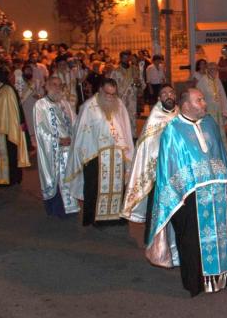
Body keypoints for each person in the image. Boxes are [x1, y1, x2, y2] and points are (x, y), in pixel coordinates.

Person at [147, 88, 227, 296]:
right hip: (190, 195)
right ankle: (196, 283)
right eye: (199, 100)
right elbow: (168, 166)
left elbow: (220, 155)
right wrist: (181, 193)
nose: (204, 103)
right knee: (192, 240)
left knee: (223, 234)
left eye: (203, 99)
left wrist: (225, 183)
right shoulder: (172, 130)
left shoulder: (210, 124)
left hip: (217, 190)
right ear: (186, 105)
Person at [121, 84, 179, 267]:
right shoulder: (155, 116)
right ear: (159, 99)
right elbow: (147, 146)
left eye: (171, 93)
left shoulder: (180, 114)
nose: (168, 96)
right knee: (156, 207)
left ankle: (177, 243)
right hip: (158, 172)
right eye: (164, 94)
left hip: (178, 171)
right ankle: (153, 241)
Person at [67, 79, 134, 226]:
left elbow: (125, 129)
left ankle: (116, 217)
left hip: (116, 155)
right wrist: (85, 154)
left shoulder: (119, 104)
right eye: (107, 93)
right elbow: (82, 133)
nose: (110, 97)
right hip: (95, 156)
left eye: (113, 94)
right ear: (100, 90)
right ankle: (95, 219)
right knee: (94, 187)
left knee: (118, 187)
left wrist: (127, 150)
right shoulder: (88, 107)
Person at [33, 76, 78, 217]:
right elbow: (40, 130)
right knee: (56, 179)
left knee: (69, 178)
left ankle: (71, 207)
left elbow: (75, 123)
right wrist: (57, 140)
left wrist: (75, 137)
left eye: (60, 85)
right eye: (54, 84)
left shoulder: (65, 104)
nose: (57, 88)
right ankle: (58, 209)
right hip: (53, 149)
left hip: (69, 149)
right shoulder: (40, 105)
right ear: (47, 86)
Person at [0, 67, 30, 186]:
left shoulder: (6, 90)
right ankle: (11, 179)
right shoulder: (3, 89)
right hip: (5, 128)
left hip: (5, 129)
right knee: (9, 155)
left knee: (8, 155)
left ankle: (7, 180)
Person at [110, 50, 142, 135]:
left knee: (132, 116)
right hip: (120, 97)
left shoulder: (134, 69)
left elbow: (139, 83)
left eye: (128, 57)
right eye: (124, 57)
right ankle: (122, 135)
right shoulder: (116, 71)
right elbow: (112, 85)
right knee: (121, 116)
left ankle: (132, 135)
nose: (126, 59)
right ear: (120, 58)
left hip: (132, 98)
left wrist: (138, 84)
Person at [195, 62, 227, 129]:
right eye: (212, 69)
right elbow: (198, 96)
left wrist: (225, 111)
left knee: (219, 129)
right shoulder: (203, 81)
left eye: (216, 69)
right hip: (208, 110)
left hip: (218, 110)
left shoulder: (218, 80)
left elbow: (223, 96)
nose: (214, 71)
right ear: (208, 70)